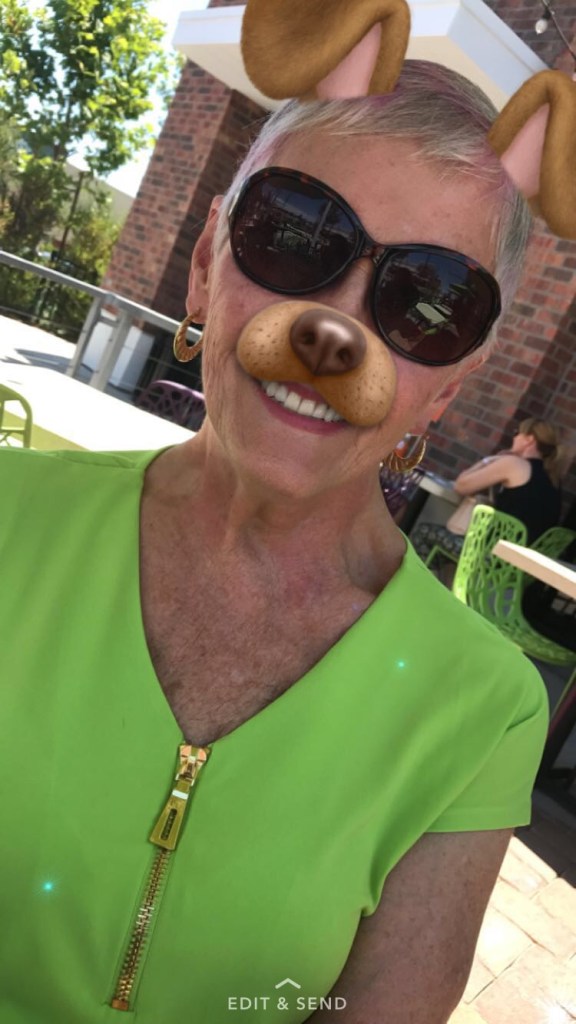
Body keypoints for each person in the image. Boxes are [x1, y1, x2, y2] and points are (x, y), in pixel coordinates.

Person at [0, 62, 549, 1024]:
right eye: (297, 234)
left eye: (428, 302)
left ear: (452, 385)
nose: (335, 329)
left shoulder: (484, 712)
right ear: (205, 263)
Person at [412, 417, 563, 564]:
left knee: (423, 532)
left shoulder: (514, 464)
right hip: (519, 565)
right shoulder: (553, 480)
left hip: (492, 556)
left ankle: (418, 578)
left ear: (529, 439)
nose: (514, 438)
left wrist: (489, 460)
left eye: (517, 433)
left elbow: (461, 486)